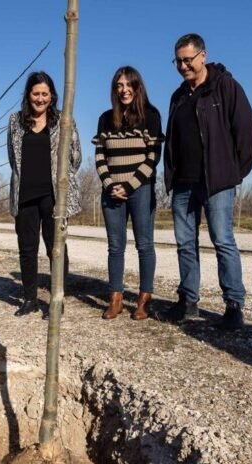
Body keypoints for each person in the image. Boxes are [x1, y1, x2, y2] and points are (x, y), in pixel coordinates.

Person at [158, 33, 252, 329]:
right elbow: (173, 139)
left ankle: (234, 305)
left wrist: (233, 172)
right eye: (178, 61)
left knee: (223, 241)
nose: (183, 66)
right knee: (185, 244)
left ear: (203, 56)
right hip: (184, 183)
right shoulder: (178, 96)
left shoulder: (224, 86)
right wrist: (171, 175)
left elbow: (246, 132)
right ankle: (188, 301)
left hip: (217, 182)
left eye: (188, 60)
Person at [7, 71, 82, 317]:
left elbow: (76, 157)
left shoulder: (64, 120)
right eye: (36, 94)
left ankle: (57, 300)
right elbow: (13, 158)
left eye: (45, 94)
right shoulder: (15, 121)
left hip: (54, 196)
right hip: (25, 194)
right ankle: (30, 299)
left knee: (56, 248)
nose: (40, 99)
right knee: (27, 249)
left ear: (53, 95)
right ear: (28, 95)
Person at [93, 66, 163, 321]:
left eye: (128, 85)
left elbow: (153, 156)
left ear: (137, 87)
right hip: (111, 191)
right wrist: (110, 184)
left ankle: (144, 300)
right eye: (119, 86)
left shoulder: (151, 116)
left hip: (140, 189)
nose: (124, 90)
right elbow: (100, 155)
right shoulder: (105, 118)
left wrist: (130, 185)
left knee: (144, 244)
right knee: (115, 246)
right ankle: (116, 298)